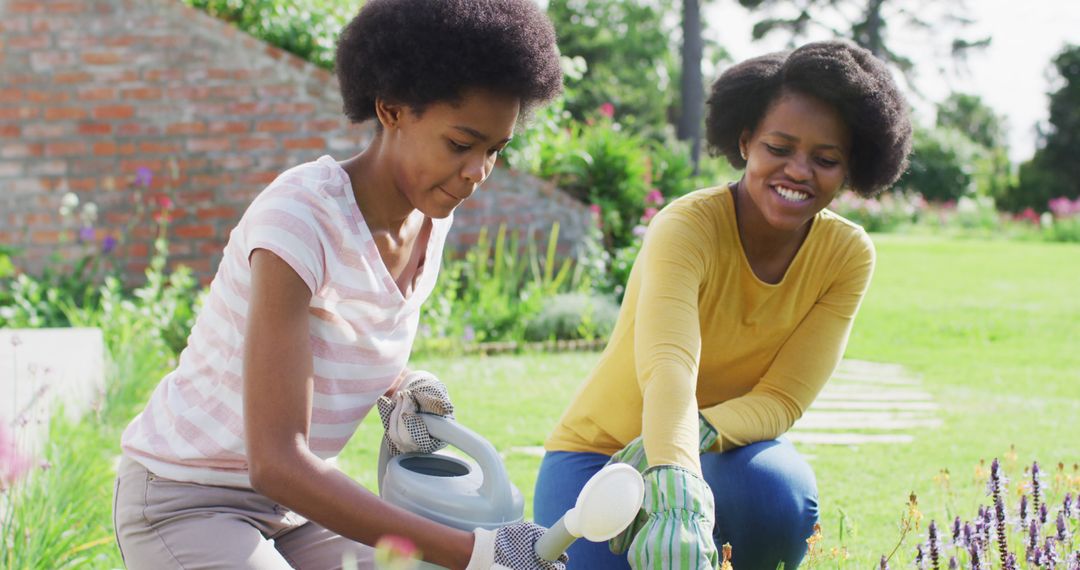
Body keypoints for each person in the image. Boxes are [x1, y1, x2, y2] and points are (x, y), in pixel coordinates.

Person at [112, 1, 565, 568]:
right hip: (187, 498)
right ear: (393, 110)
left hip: (294, 510)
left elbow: (339, 339)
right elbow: (276, 460)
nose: (478, 172)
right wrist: (474, 552)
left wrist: (401, 386)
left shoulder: (431, 217)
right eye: (461, 144)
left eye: (495, 151)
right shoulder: (300, 219)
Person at [534, 40, 913, 570]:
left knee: (777, 494)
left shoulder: (846, 255)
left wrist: (696, 436)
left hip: (721, 457)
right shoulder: (687, 227)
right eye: (779, 148)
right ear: (745, 142)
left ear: (850, 170)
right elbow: (670, 368)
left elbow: (782, 399)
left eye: (826, 160)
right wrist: (671, 478)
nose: (799, 171)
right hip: (600, 456)